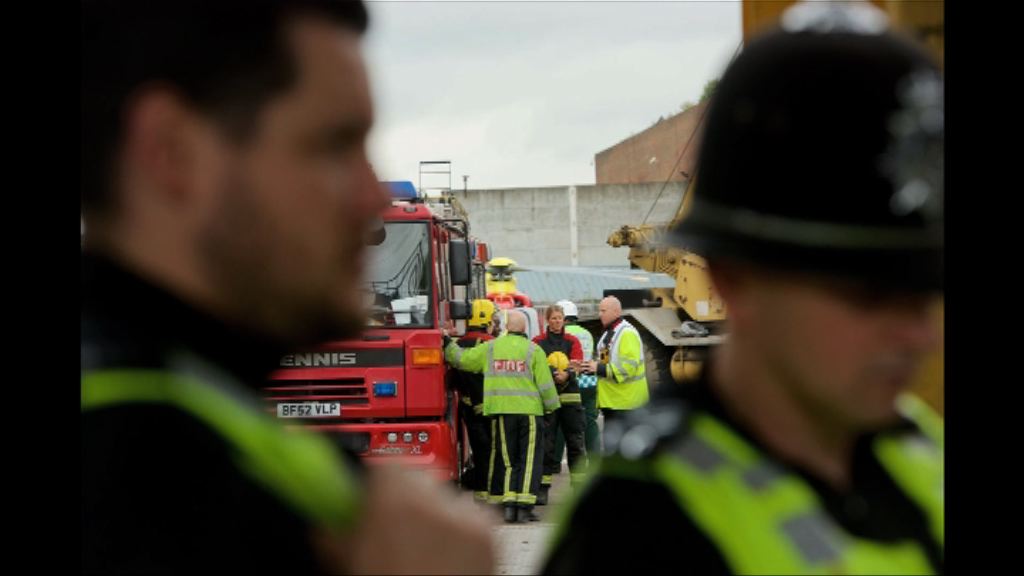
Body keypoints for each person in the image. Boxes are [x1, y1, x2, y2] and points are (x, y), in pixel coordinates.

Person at [81, 1, 493, 573]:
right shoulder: (166, 483)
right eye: (332, 145)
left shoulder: (202, 427)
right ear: (172, 152)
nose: (371, 198)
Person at [543, 2, 943, 573]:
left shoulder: (914, 445)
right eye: (870, 296)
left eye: (925, 289)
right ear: (735, 280)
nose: (919, 334)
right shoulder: (642, 528)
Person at [444, 310, 561, 523]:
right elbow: (545, 385)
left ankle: (508, 507)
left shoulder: (491, 348)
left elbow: (462, 360)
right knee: (528, 460)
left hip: (501, 413)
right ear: (524, 329)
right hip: (529, 413)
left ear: (507, 328)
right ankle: (523, 507)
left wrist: (444, 340)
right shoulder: (533, 350)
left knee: (507, 460)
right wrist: (552, 408)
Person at [532, 304, 587, 504]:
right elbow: (535, 363)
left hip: (571, 399)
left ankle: (579, 489)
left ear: (564, 320)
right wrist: (552, 373)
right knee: (546, 445)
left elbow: (578, 362)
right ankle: (543, 489)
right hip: (548, 401)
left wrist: (568, 374)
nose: (557, 321)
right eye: (553, 318)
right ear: (547, 320)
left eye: (560, 318)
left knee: (576, 444)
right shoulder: (538, 342)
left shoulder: (572, 341)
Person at [580, 295, 649, 448]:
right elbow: (607, 362)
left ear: (616, 311)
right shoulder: (610, 332)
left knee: (623, 449)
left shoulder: (626, 333)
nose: (600, 314)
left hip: (626, 403)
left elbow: (627, 369)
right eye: (599, 310)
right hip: (614, 402)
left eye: (603, 310)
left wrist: (597, 368)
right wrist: (589, 367)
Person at [454, 299, 500, 503]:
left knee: (478, 450)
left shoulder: (458, 344)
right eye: (493, 320)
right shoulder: (491, 344)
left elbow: (452, 379)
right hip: (489, 407)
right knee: (493, 451)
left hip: (466, 407)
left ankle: (481, 493)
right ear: (486, 321)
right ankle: (492, 492)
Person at [556, 299, 601, 459]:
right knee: (589, 420)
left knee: (561, 421)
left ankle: (555, 461)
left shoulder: (563, 335)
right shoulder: (586, 333)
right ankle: (595, 456)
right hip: (589, 382)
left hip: (570, 383)